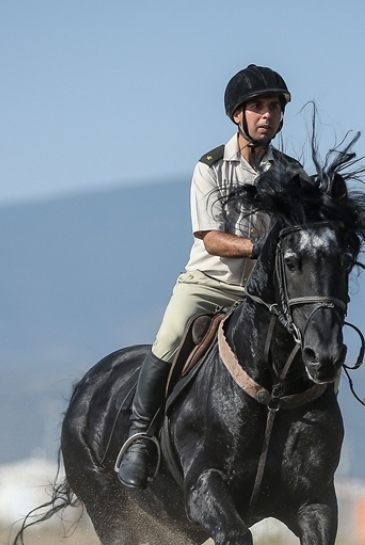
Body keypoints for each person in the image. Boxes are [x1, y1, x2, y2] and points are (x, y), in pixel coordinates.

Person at [116, 64, 294, 489]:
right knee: (170, 335)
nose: (266, 115)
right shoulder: (210, 168)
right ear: (238, 115)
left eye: (274, 107)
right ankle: (140, 437)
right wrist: (259, 247)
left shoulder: (291, 173)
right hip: (209, 286)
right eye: (257, 107)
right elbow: (212, 238)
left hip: (263, 294)